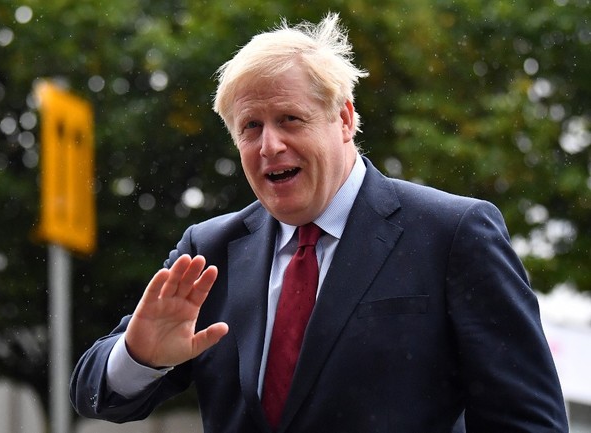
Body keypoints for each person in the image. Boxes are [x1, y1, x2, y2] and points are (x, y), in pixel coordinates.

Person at [70, 13, 568, 433]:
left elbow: (530, 422)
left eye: (290, 119)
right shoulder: (210, 250)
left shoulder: (453, 234)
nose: (269, 146)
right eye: (251, 127)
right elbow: (95, 395)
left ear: (346, 118)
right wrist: (140, 356)